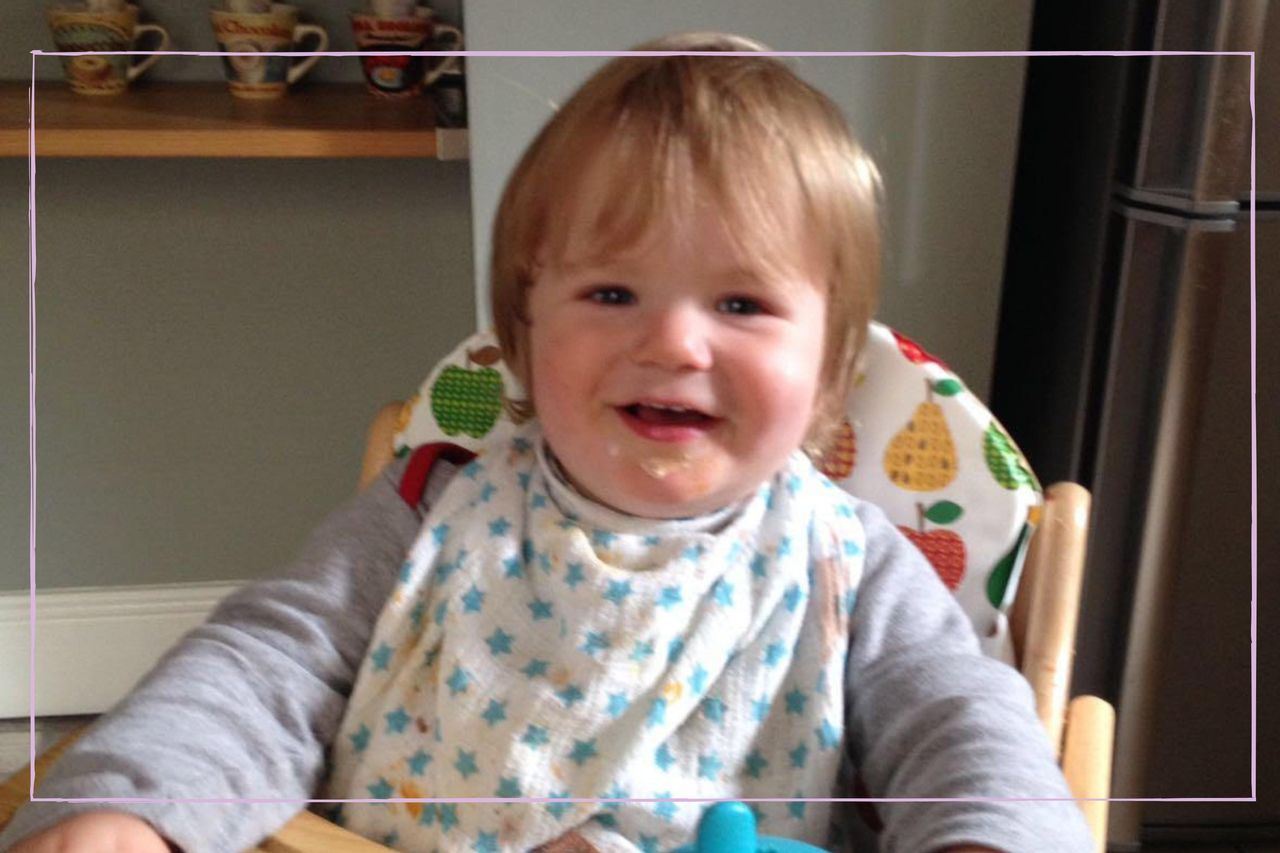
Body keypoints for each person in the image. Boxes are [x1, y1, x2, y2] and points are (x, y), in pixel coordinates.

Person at [1, 33, 1094, 853]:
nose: (671, 340)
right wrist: (131, 805)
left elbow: (960, 717)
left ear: (824, 382)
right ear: (523, 338)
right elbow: (262, 665)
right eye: (611, 290)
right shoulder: (433, 503)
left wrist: (989, 835)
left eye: (742, 304)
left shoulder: (848, 563)